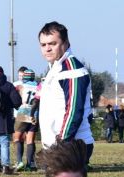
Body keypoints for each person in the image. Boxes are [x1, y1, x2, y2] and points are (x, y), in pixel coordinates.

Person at [37, 21, 95, 164]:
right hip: (57, 146)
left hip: (70, 145)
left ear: (66, 43)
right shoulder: (56, 68)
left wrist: (61, 144)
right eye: (43, 45)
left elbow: (73, 111)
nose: (47, 49)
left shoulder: (71, 70)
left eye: (52, 43)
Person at [13, 69, 40, 171]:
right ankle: (30, 164)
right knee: (30, 139)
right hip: (35, 114)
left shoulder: (20, 86)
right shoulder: (38, 87)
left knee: (17, 137)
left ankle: (19, 162)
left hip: (24, 112)